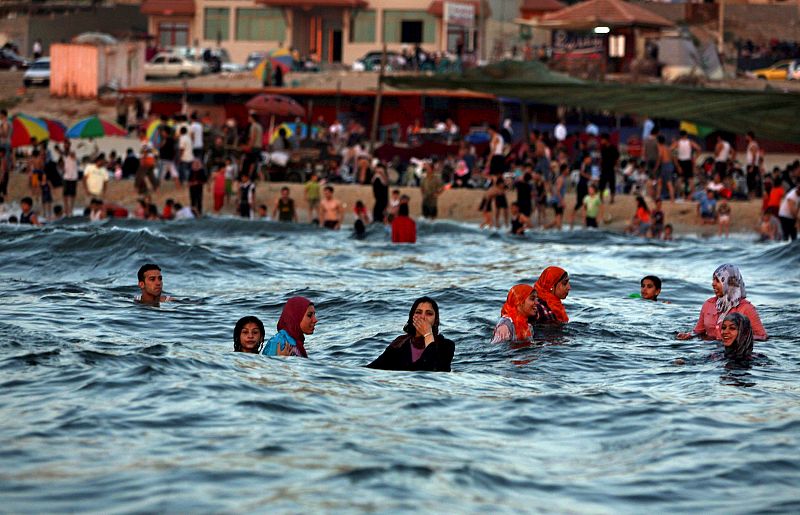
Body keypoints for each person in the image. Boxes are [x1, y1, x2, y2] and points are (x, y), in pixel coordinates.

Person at [676, 264, 767, 341]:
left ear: (730, 282)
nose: (713, 284)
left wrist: (738, 338)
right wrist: (689, 335)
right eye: (713, 280)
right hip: (710, 350)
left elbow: (762, 337)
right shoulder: (708, 304)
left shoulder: (746, 308)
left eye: (718, 280)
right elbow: (698, 331)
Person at [367, 296, 455, 372]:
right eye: (418, 312)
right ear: (411, 317)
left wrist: (428, 334)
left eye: (429, 313)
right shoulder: (399, 344)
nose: (422, 317)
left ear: (435, 320)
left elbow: (432, 370)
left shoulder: (446, 346)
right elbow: (372, 369)